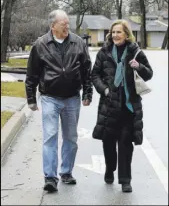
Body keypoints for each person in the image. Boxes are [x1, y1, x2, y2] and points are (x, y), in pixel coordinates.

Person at [25, 10, 93, 192]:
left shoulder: (78, 42)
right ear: (52, 25)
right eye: (63, 24)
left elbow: (87, 70)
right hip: (49, 98)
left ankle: (66, 172)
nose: (67, 26)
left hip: (72, 98)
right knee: (50, 136)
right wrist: (31, 98)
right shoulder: (40, 44)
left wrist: (88, 93)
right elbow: (32, 74)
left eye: (68, 24)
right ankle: (50, 177)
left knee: (71, 138)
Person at [92, 19, 153, 193]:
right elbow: (95, 75)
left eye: (119, 32)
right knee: (108, 142)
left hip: (128, 106)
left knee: (126, 143)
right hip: (109, 105)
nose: (115, 35)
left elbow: (149, 74)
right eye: (113, 32)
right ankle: (110, 168)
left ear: (126, 34)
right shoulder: (104, 53)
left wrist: (139, 66)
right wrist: (103, 90)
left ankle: (126, 180)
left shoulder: (135, 52)